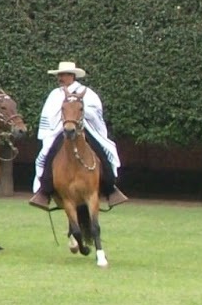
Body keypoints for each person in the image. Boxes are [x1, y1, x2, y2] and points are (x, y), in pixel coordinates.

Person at [29, 60, 130, 209]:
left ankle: (110, 189)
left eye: (63, 75)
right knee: (48, 154)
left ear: (72, 76)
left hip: (84, 128)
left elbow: (96, 112)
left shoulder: (87, 92)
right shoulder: (55, 94)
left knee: (102, 151)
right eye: (59, 75)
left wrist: (79, 110)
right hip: (61, 129)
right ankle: (44, 191)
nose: (60, 78)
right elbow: (48, 116)